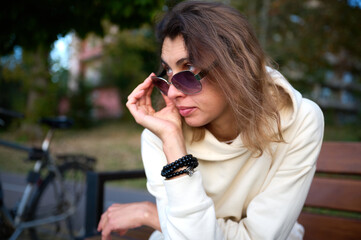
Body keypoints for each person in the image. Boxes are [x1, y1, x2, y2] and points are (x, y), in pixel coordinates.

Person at [97, 1, 324, 239]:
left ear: (236, 67)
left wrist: (151, 215)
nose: (173, 92)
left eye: (189, 69)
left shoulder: (299, 121)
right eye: (168, 73)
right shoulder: (162, 135)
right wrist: (174, 147)